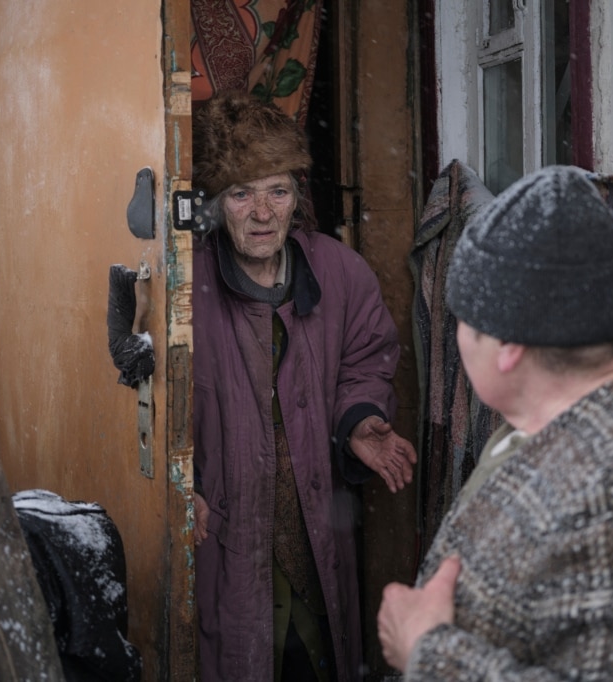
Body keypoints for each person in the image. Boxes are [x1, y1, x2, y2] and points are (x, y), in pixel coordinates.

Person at [377, 165, 613, 679]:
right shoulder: (583, 411)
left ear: (509, 345)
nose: (458, 340)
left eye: (464, 322)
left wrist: (430, 652)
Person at [191, 91, 418, 682]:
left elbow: (366, 358)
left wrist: (360, 418)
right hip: (225, 528)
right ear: (216, 205)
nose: (262, 212)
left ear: (298, 198)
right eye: (242, 193)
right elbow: (154, 394)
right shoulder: (185, 286)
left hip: (314, 525)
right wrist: (176, 481)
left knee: (312, 657)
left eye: (278, 191)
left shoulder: (339, 272)